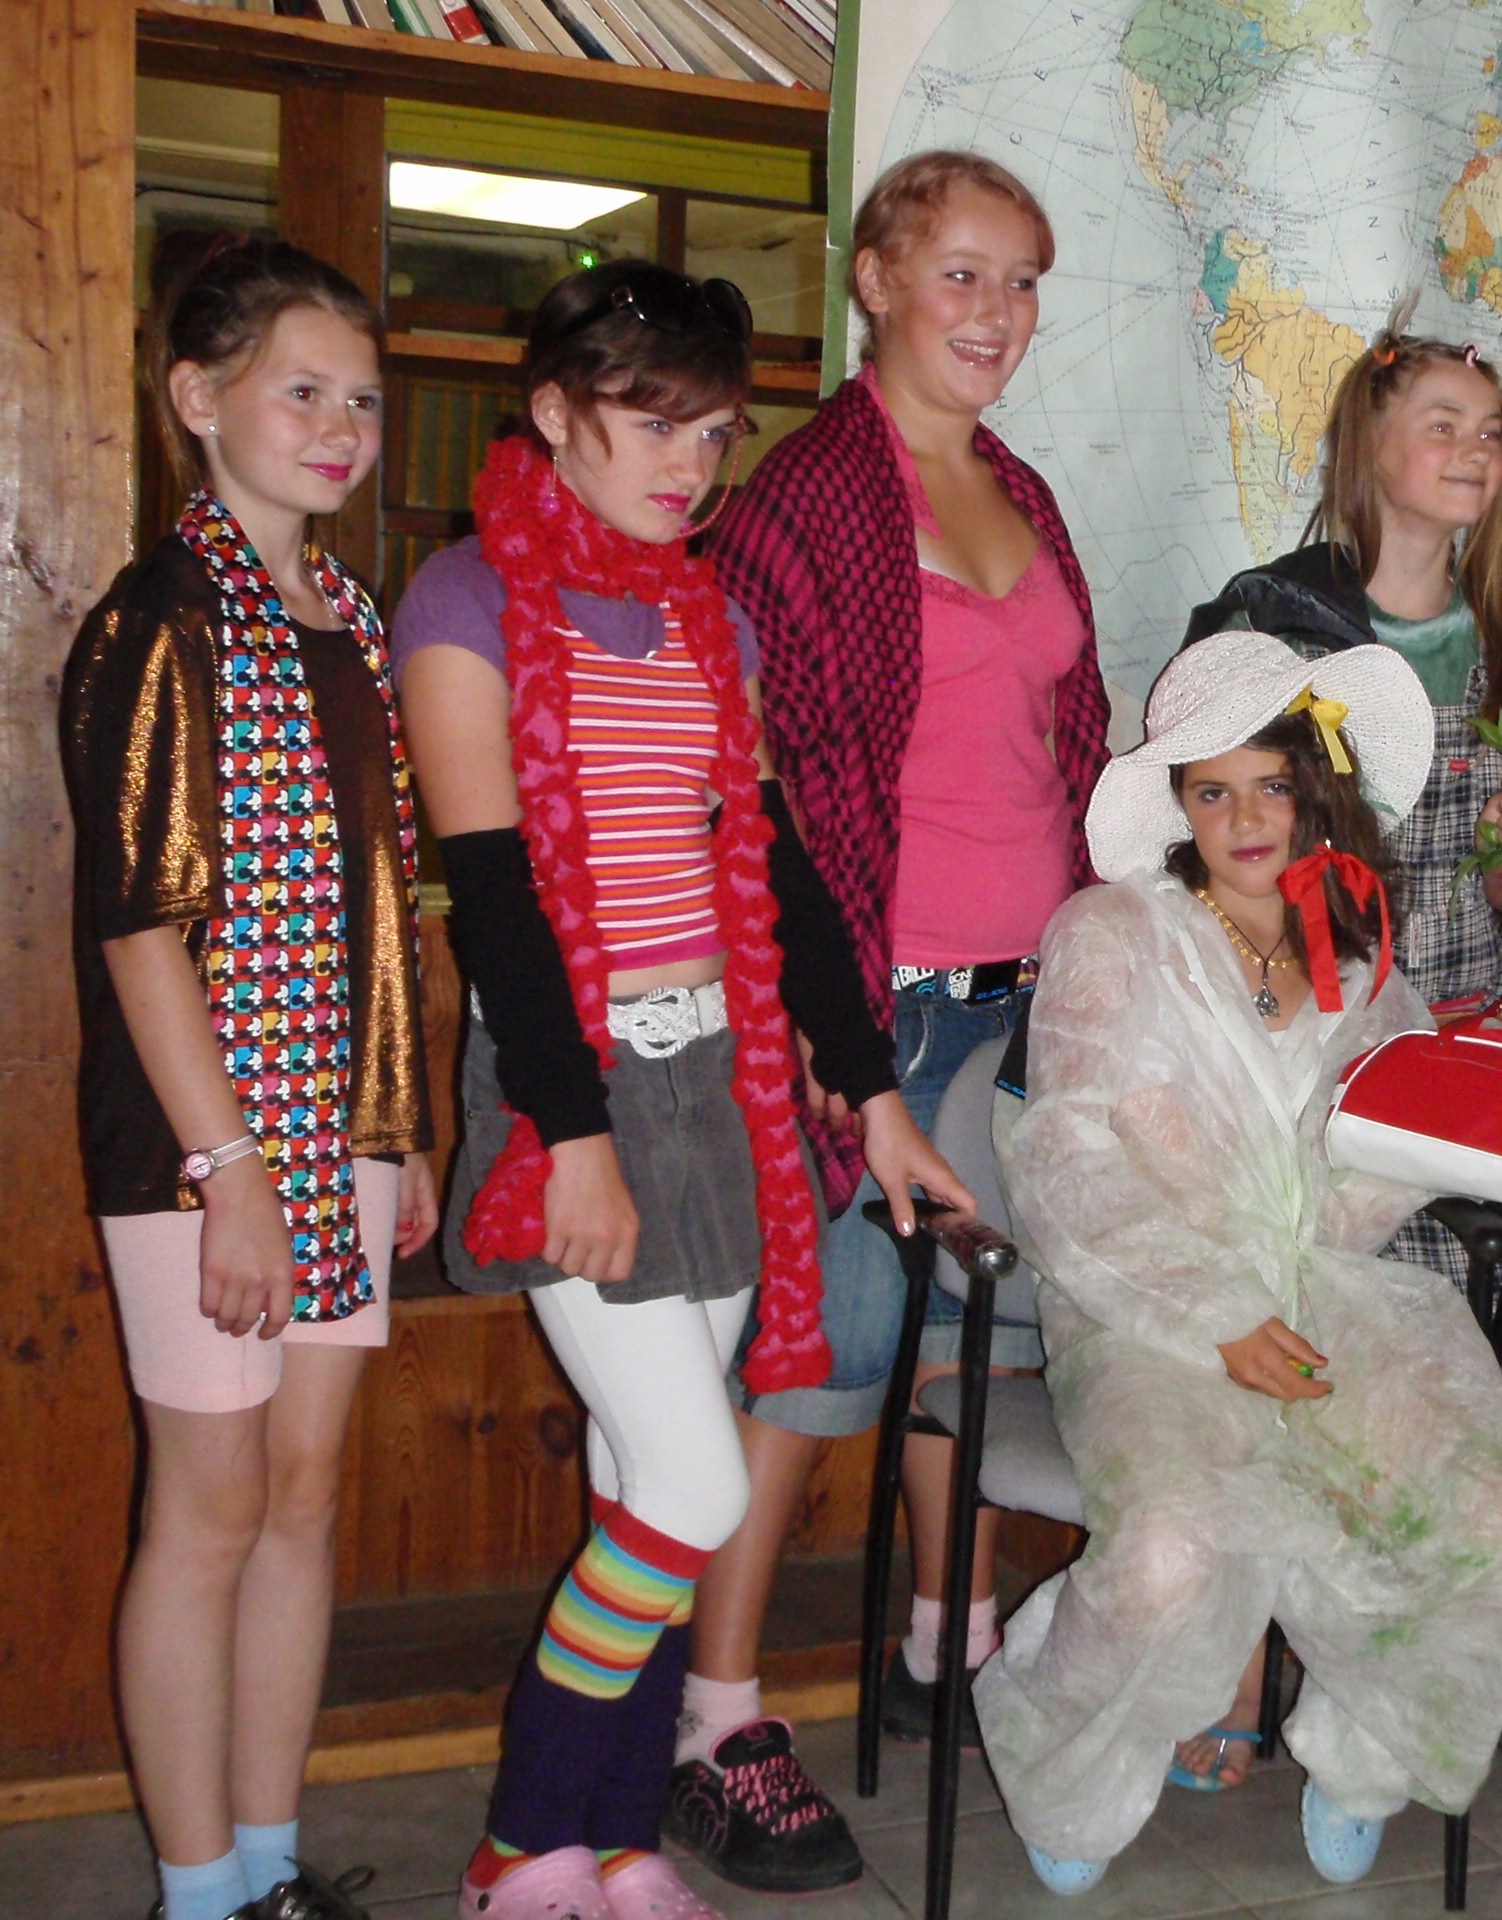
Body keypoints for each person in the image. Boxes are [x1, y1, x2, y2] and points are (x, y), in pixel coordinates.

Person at [395, 259, 898, 1920]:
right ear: (554, 413)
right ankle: (519, 1844)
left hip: (720, 1089)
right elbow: (495, 900)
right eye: (652, 422)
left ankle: (615, 1843)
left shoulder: (706, 613)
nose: (691, 463)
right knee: (693, 1487)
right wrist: (570, 1138)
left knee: (639, 1495)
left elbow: (774, 862)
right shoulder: (464, 599)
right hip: (579, 1085)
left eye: (715, 431)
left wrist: (870, 1081)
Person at [976, 631, 1502, 1895]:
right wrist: (1217, 1314)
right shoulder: (1111, 932)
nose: (1247, 820)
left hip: (1326, 1303)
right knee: (1170, 1553)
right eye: (1213, 791)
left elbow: (1375, 1159)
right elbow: (1063, 1158)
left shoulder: (1358, 958)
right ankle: (1066, 1762)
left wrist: (1500, 1088)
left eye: (1273, 785)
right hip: (1145, 1312)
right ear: (1178, 804)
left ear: (1317, 790)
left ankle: (1365, 1754)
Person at [676, 146, 1101, 1867]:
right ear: (876, 280)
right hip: (875, 1016)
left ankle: (950, 1644)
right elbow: (766, 794)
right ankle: (716, 1722)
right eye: (963, 274)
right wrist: (833, 1035)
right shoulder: (806, 498)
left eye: (1023, 280)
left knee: (977, 1352)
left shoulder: (1020, 485)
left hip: (1028, 1000)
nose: (997, 311)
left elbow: (1065, 738)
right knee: (820, 1365)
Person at [1186, 318, 1502, 1755]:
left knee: (1446, 1366)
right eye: (1441, 421)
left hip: (1447, 1052)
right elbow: (1210, 852)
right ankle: (1241, 1666)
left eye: (1490, 433)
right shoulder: (1269, 621)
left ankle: (1427, 1670)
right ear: (1365, 443)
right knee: (1300, 1346)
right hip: (1303, 1040)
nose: (1471, 451)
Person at [64, 233, 436, 1920]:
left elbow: (382, 906)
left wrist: (402, 1132)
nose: (343, 427)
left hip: (341, 1128)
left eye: (363, 398)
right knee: (207, 1514)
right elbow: (142, 930)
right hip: (201, 1151)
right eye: (304, 392)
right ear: (198, 399)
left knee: (302, 1500)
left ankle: (275, 1871)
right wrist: (233, 1181)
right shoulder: (160, 620)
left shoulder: (348, 617)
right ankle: (201, 1891)